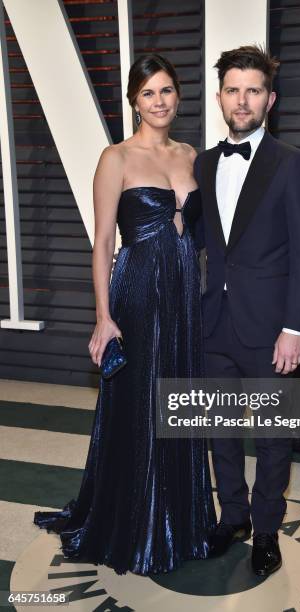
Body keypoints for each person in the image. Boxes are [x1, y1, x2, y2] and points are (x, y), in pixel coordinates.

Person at [34, 54, 216, 575]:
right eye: (148, 94)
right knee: (138, 406)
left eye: (166, 91)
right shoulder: (115, 158)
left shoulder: (191, 155)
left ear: (178, 95)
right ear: (134, 102)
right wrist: (103, 315)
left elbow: (202, 236)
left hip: (183, 293)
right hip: (136, 292)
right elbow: (103, 242)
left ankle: (180, 520)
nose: (159, 102)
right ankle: (136, 524)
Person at [193, 45, 300, 576]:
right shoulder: (204, 163)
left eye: (252, 90)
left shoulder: (293, 163)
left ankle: (267, 528)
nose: (241, 100)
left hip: (271, 328)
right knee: (219, 429)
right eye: (232, 90)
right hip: (214, 325)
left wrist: (295, 326)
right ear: (220, 96)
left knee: (272, 436)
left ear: (271, 98)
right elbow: (206, 237)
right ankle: (234, 517)